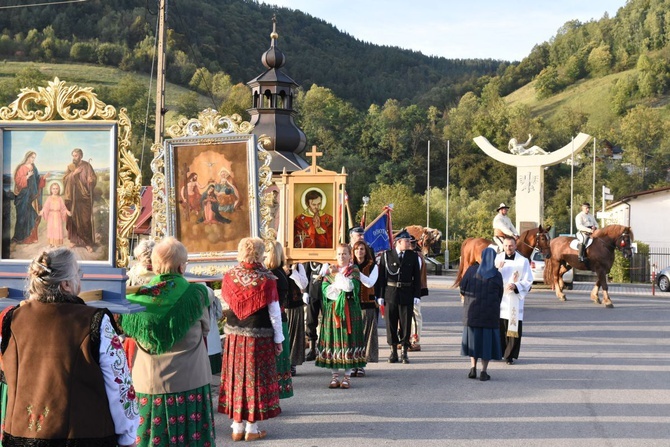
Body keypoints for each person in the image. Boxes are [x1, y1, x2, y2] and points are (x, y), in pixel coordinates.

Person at [0, 248, 139, 446]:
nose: (79, 280)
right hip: (83, 437)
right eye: (78, 274)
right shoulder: (95, 321)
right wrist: (128, 436)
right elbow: (120, 386)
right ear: (65, 284)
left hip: (21, 435)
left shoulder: (11, 319)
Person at [119, 237, 215, 447]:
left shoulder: (134, 300)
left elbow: (127, 332)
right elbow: (205, 330)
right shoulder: (198, 295)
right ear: (182, 266)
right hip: (191, 382)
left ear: (154, 266)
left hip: (150, 384)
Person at [219, 237, 283, 441]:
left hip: (235, 337)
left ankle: (237, 427)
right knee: (254, 380)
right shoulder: (267, 279)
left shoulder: (230, 276)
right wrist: (278, 338)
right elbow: (274, 312)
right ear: (260, 253)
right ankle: (252, 429)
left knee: (237, 378)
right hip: (259, 337)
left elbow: (225, 303)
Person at [315, 243, 366, 389]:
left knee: (349, 341)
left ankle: (347, 376)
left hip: (350, 309)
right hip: (333, 311)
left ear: (350, 256)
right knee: (333, 341)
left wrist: (338, 276)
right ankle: (335, 376)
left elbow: (350, 287)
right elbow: (326, 291)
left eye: (344, 253)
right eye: (338, 254)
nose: (341, 256)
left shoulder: (354, 270)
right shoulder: (328, 272)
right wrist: (338, 285)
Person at [377, 230, 422, 364]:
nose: (409, 243)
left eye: (409, 241)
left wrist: (417, 295)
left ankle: (404, 351)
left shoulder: (413, 256)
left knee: (406, 323)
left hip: (407, 292)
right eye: (407, 241)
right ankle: (393, 351)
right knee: (391, 322)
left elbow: (417, 278)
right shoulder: (387, 255)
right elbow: (382, 277)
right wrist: (380, 295)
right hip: (391, 293)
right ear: (398, 242)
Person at [460, 247, 504, 381]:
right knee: (486, 344)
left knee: (473, 342)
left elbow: (462, 288)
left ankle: (473, 368)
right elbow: (500, 294)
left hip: (472, 313)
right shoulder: (497, 275)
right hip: (490, 316)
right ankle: (484, 371)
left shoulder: (471, 270)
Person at [495, 236, 533, 365]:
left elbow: (528, 280)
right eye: (506, 246)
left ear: (515, 246)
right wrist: (495, 269)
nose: (508, 248)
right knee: (500, 326)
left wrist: (516, 286)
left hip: (514, 299)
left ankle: (509, 355)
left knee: (513, 327)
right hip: (500, 298)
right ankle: (499, 352)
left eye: (511, 246)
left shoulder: (523, 261)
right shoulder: (498, 258)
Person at [264, 241, 293, 399]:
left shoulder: (272, 274)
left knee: (275, 358)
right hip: (279, 316)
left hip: (275, 318)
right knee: (278, 358)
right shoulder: (278, 272)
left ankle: (274, 394)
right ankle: (277, 393)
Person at [352, 239, 379, 376]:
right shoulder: (349, 265)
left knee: (365, 336)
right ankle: (352, 363)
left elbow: (369, 283)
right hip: (352, 305)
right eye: (357, 249)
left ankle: (361, 364)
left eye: (362, 249)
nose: (359, 252)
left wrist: (357, 272)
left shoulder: (373, 266)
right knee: (353, 336)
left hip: (367, 306)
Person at [63, 148, 97, 252]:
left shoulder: (87, 166)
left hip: (84, 197)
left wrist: (91, 181)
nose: (74, 158)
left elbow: (94, 178)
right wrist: (73, 174)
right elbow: (65, 180)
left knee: (85, 220)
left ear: (81, 156)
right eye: (73, 155)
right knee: (73, 219)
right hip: (73, 197)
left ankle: (87, 243)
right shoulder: (70, 167)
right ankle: (74, 240)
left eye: (76, 155)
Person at [11, 150, 48, 244]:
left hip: (32, 196)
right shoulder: (21, 168)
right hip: (23, 196)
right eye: (32, 157)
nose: (33, 159)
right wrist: (27, 177)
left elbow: (36, 180)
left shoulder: (34, 167)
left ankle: (31, 238)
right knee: (22, 217)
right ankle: (19, 238)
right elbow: (18, 181)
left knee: (32, 215)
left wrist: (43, 178)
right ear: (27, 157)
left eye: (34, 158)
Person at [304, 260, 328, 361]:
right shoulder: (310, 260)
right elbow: (306, 274)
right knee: (311, 321)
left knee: (327, 321)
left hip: (326, 293)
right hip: (312, 292)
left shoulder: (327, 259)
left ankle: (326, 348)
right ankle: (312, 349)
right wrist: (305, 292)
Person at [409, 235, 429, 352]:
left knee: (415, 316)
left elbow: (415, 276)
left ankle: (415, 340)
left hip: (413, 289)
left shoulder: (417, 257)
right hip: (406, 290)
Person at [40, 182, 71, 247]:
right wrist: (42, 211)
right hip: (51, 216)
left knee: (57, 229)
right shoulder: (49, 198)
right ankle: (51, 243)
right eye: (53, 189)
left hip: (58, 215)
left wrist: (67, 211)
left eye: (56, 189)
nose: (55, 190)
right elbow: (46, 207)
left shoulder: (60, 198)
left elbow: (63, 207)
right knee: (50, 229)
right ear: (51, 190)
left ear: (59, 190)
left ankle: (57, 243)